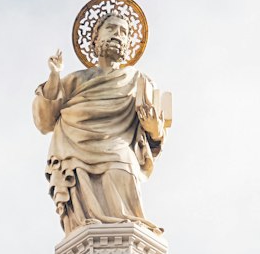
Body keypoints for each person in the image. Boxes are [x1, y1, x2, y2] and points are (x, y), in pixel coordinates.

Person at [33, 14, 171, 232]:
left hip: (119, 148)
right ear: (95, 39)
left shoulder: (141, 82)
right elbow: (45, 121)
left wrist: (155, 129)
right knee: (85, 223)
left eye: (124, 32)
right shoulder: (76, 80)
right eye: (111, 28)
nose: (118, 35)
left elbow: (156, 133)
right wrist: (54, 77)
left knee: (125, 205)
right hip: (74, 148)